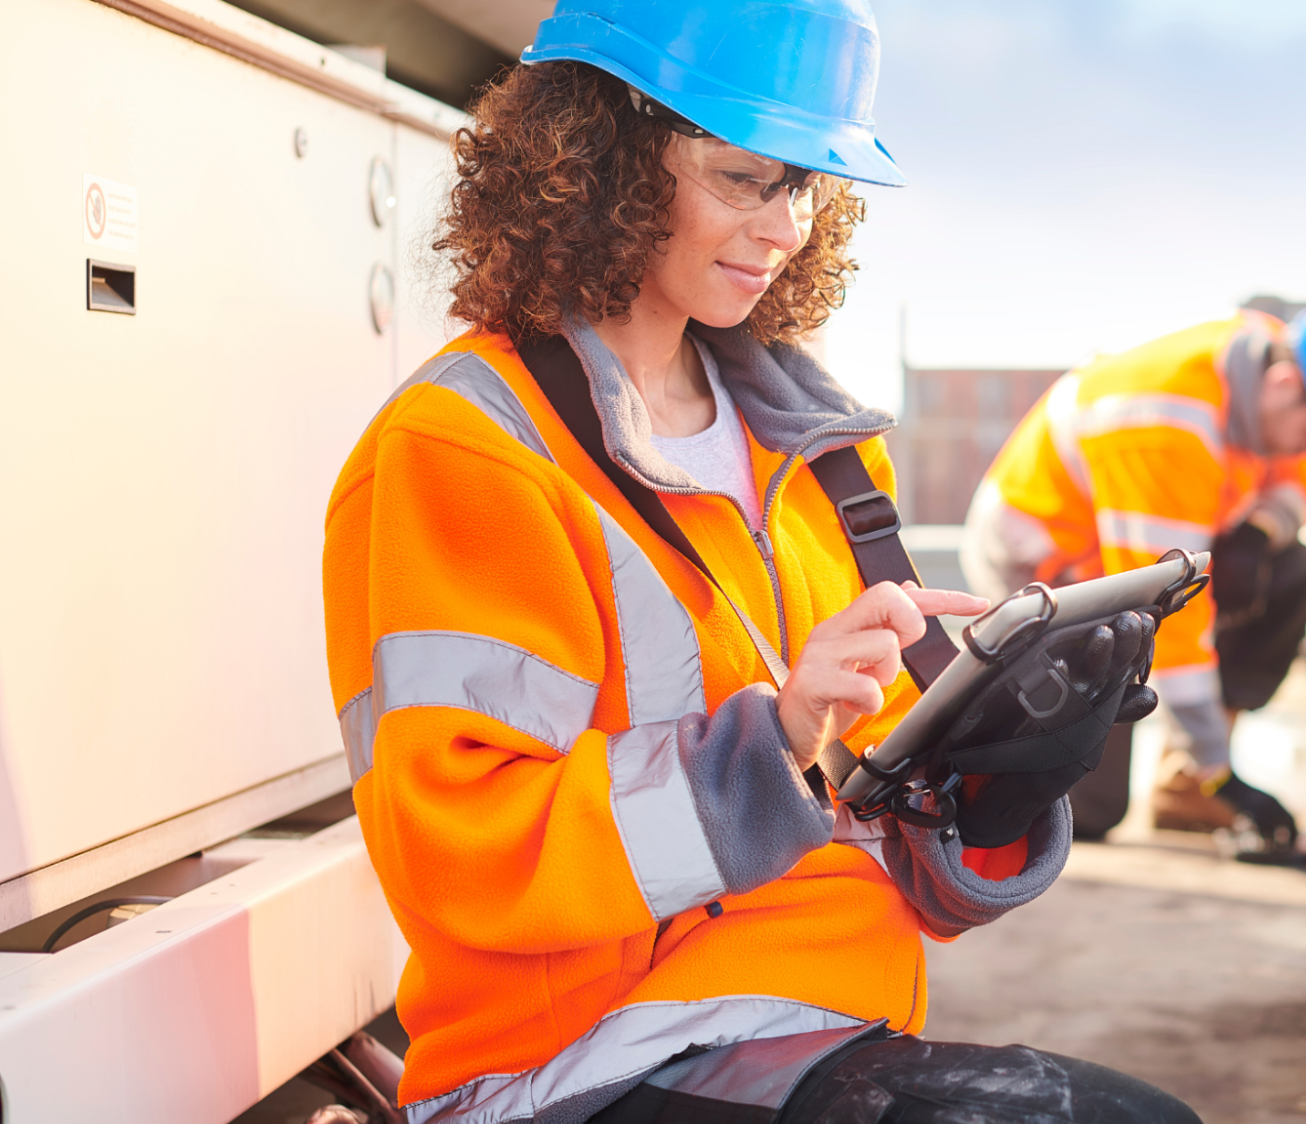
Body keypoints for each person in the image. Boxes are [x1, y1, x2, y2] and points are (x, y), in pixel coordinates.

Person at [321, 2, 1198, 1121]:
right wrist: (772, 741)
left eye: (808, 185)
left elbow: (870, 825)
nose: (787, 228)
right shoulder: (467, 450)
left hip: (817, 1017)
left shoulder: (819, 452)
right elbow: (468, 859)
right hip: (584, 1063)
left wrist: (997, 778)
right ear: (602, 159)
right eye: (747, 178)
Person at [961, 307, 1306, 854]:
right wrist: (1224, 775)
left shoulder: (1268, 363)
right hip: (1046, 582)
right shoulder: (1165, 423)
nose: (1305, 452)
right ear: (1286, 386)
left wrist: (1255, 537)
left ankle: (1182, 786)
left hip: (1131, 559)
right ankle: (1193, 771)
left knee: (1294, 570)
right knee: (1085, 815)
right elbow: (1170, 622)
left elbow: (1299, 492)